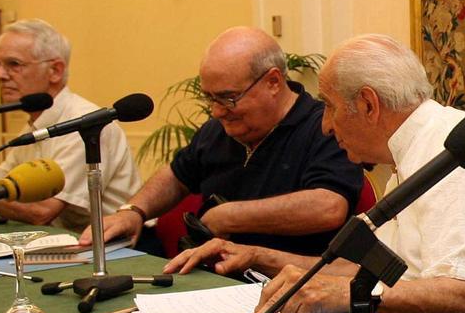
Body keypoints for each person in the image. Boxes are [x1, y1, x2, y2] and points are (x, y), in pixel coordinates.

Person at [166, 33, 465, 313]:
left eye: (330, 106)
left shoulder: (459, 151)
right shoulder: (410, 152)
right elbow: (360, 268)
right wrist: (255, 255)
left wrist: (351, 297)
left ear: (369, 105)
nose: (323, 124)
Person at [83, 27, 364, 257]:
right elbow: (177, 176)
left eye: (228, 98)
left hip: (287, 285)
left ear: (274, 82)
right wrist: (134, 211)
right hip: (213, 280)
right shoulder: (219, 128)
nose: (216, 111)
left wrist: (230, 215)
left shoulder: (324, 127)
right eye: (210, 97)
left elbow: (328, 206)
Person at [0, 19, 141, 231]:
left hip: (119, 247)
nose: (0, 75)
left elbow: (42, 211)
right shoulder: (33, 126)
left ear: (55, 71)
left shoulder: (87, 123)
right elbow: (1, 189)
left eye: (13, 64)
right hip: (68, 241)